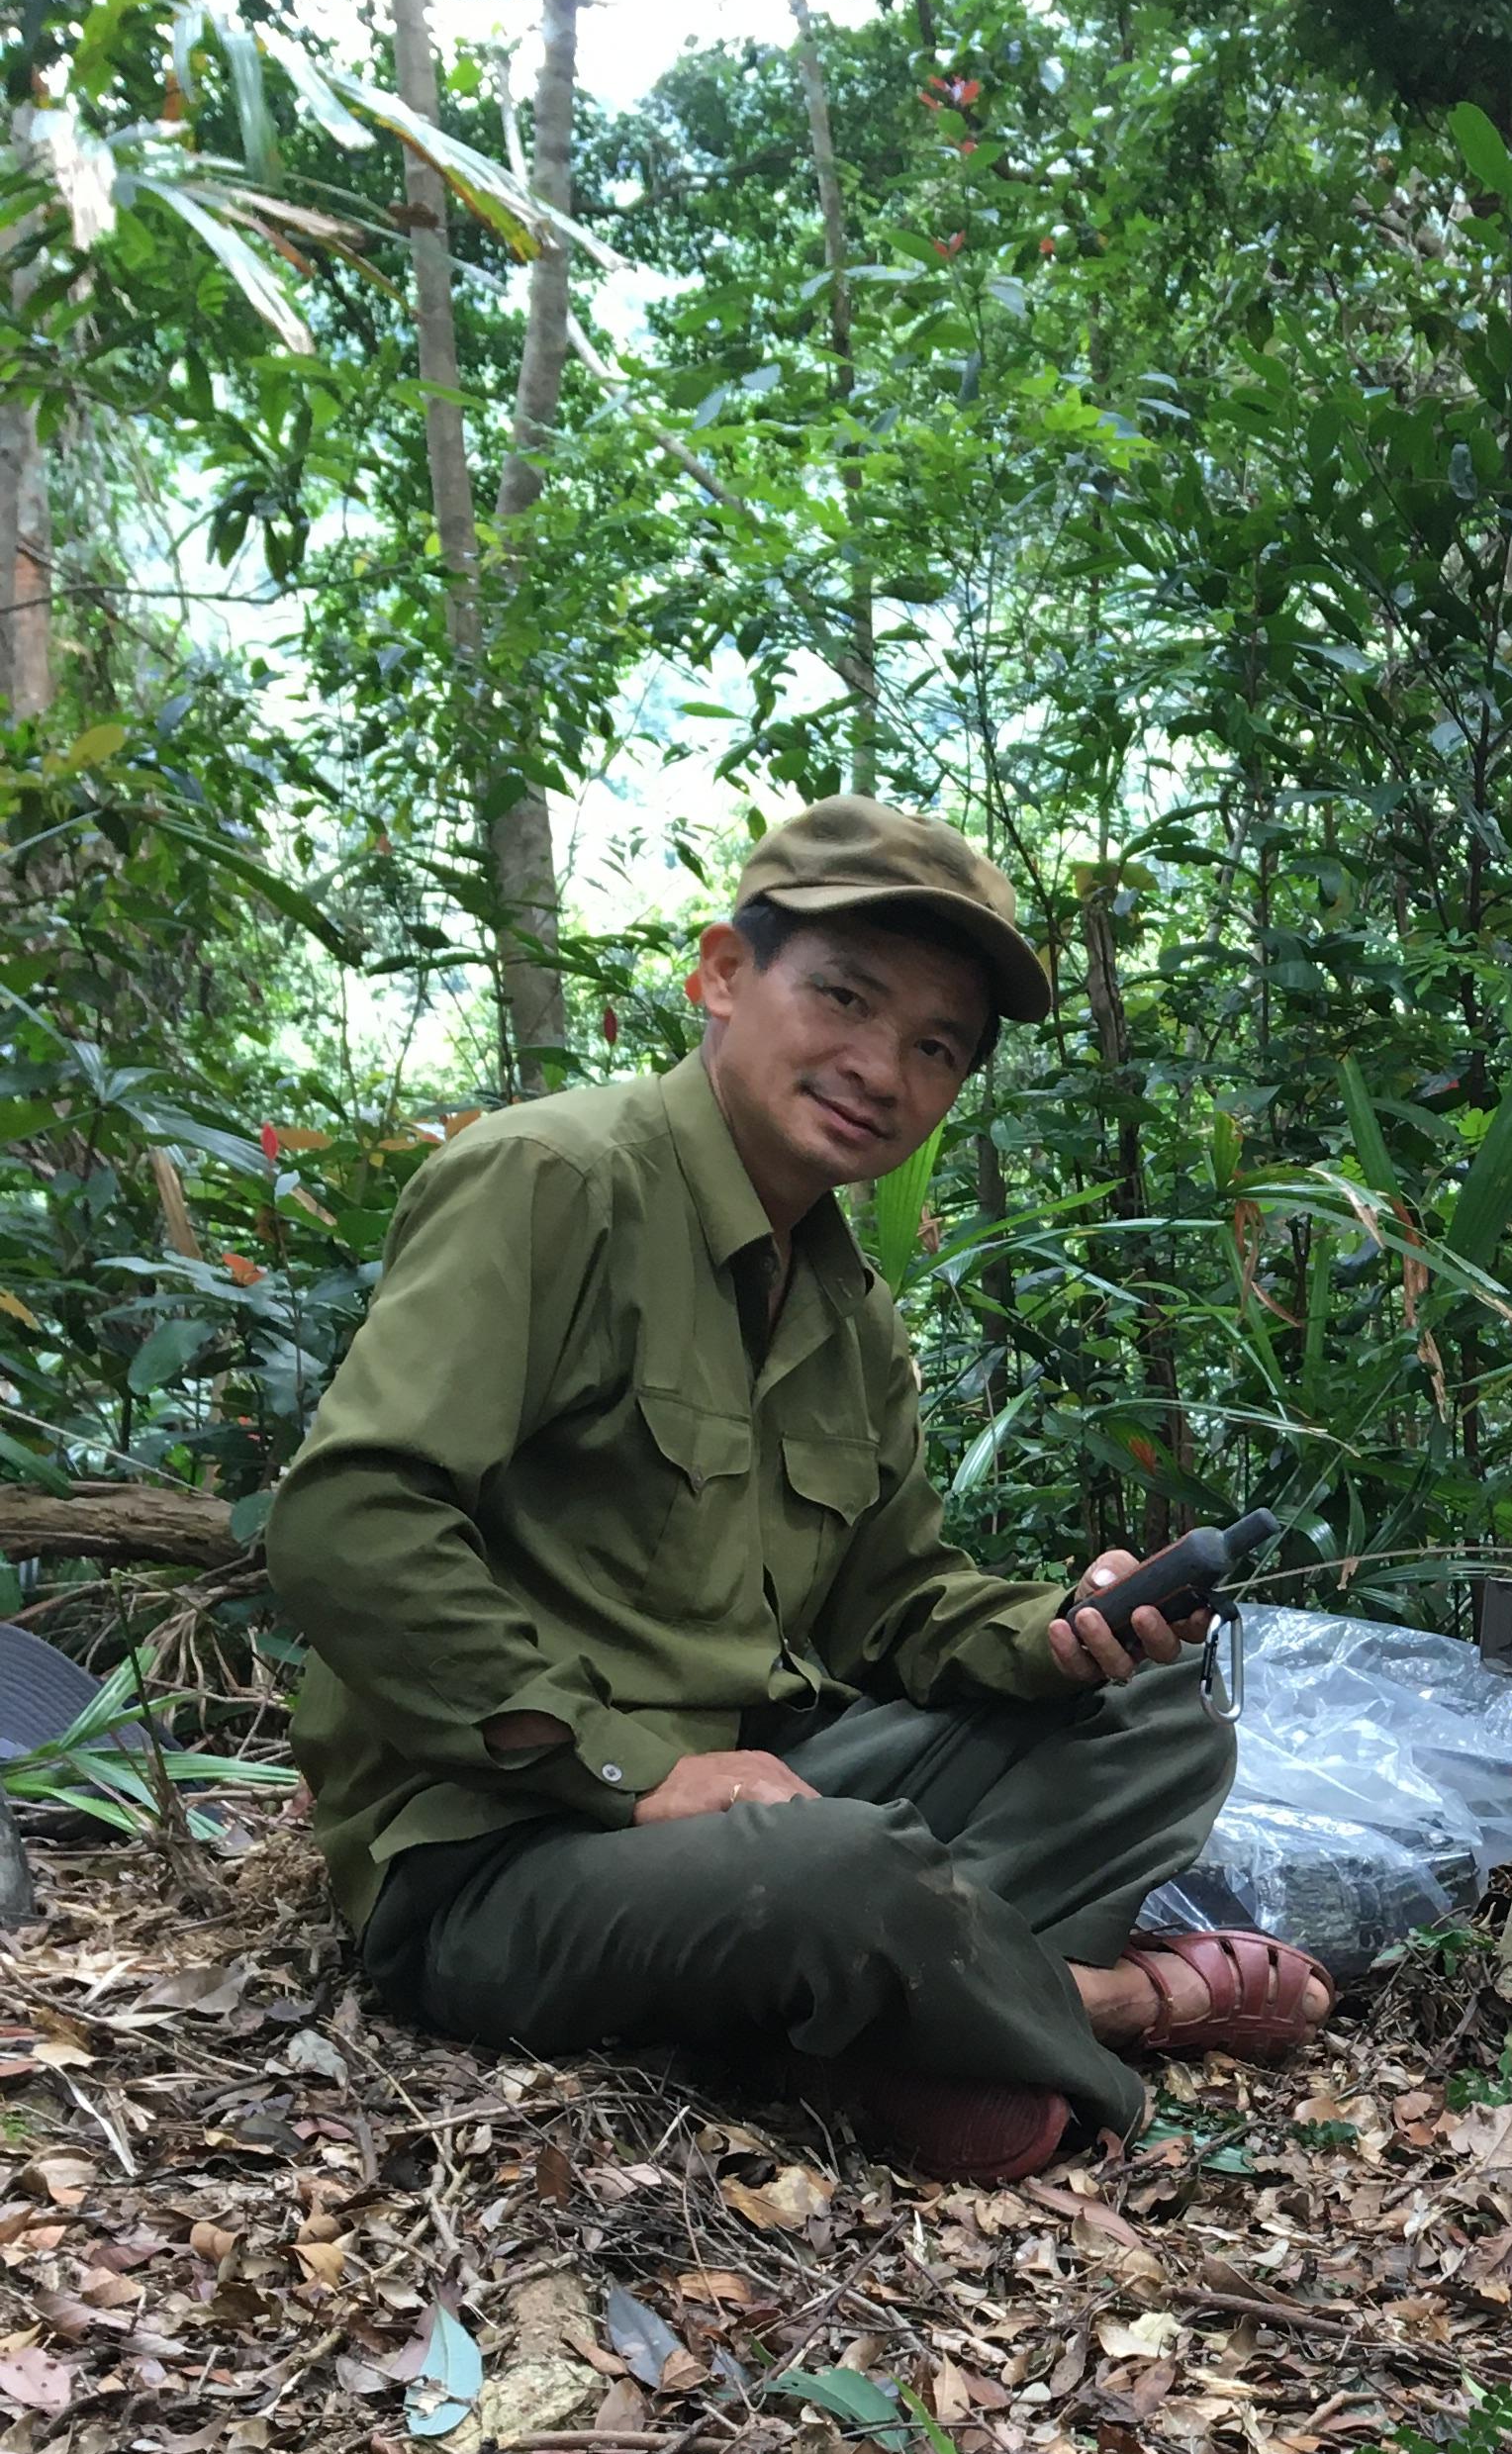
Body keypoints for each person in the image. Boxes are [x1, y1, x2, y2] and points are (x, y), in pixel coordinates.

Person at [268, 797, 1331, 2184]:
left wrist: (1059, 1632)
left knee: (1154, 1720)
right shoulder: (554, 1181)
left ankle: (858, 2012)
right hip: (497, 1851)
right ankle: (1091, 2008)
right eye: (843, 996)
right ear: (720, 974)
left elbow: (892, 1599)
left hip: (756, 1794)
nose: (880, 1067)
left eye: (936, 1047)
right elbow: (347, 1525)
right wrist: (637, 1774)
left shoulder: (847, 1306)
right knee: (834, 1871)